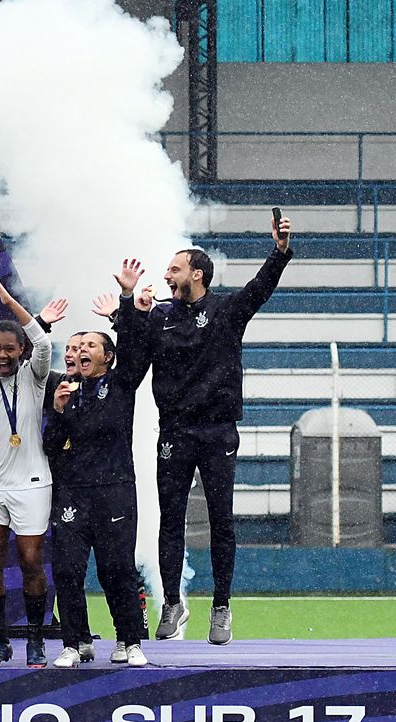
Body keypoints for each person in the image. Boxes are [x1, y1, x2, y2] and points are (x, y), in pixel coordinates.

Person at [128, 215, 294, 645]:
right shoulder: (158, 316)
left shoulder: (225, 310)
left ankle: (222, 607)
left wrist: (279, 253)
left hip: (218, 431)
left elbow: (260, 289)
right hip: (174, 432)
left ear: (196, 274)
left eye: (174, 269)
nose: (165, 275)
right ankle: (172, 603)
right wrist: (129, 308)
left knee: (222, 521)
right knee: (170, 519)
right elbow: (130, 365)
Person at [45, 264, 154, 667]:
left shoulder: (122, 383)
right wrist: (57, 413)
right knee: (69, 571)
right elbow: (50, 448)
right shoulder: (62, 391)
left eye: (90, 345)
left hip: (115, 489)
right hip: (72, 493)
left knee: (116, 569)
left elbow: (138, 347)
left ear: (108, 356)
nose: (80, 352)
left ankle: (129, 641)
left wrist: (126, 301)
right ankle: (75, 643)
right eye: (76, 347)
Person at [0, 275, 59, 667]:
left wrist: (11, 305)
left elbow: (43, 341)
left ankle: (36, 640)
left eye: (9, 349)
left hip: (32, 483)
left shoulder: (36, 375)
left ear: (21, 350)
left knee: (30, 561)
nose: (2, 356)